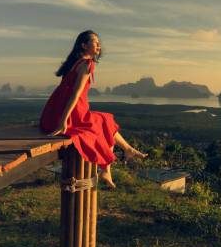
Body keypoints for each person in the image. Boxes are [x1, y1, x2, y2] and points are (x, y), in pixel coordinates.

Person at [40, 30, 147, 188]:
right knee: (105, 120)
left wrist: (60, 119)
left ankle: (126, 151)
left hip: (51, 116)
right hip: (70, 116)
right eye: (95, 42)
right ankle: (108, 166)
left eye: (99, 42)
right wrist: (63, 122)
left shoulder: (74, 63)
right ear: (84, 45)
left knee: (104, 119)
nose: (99, 45)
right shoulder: (86, 64)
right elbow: (75, 95)